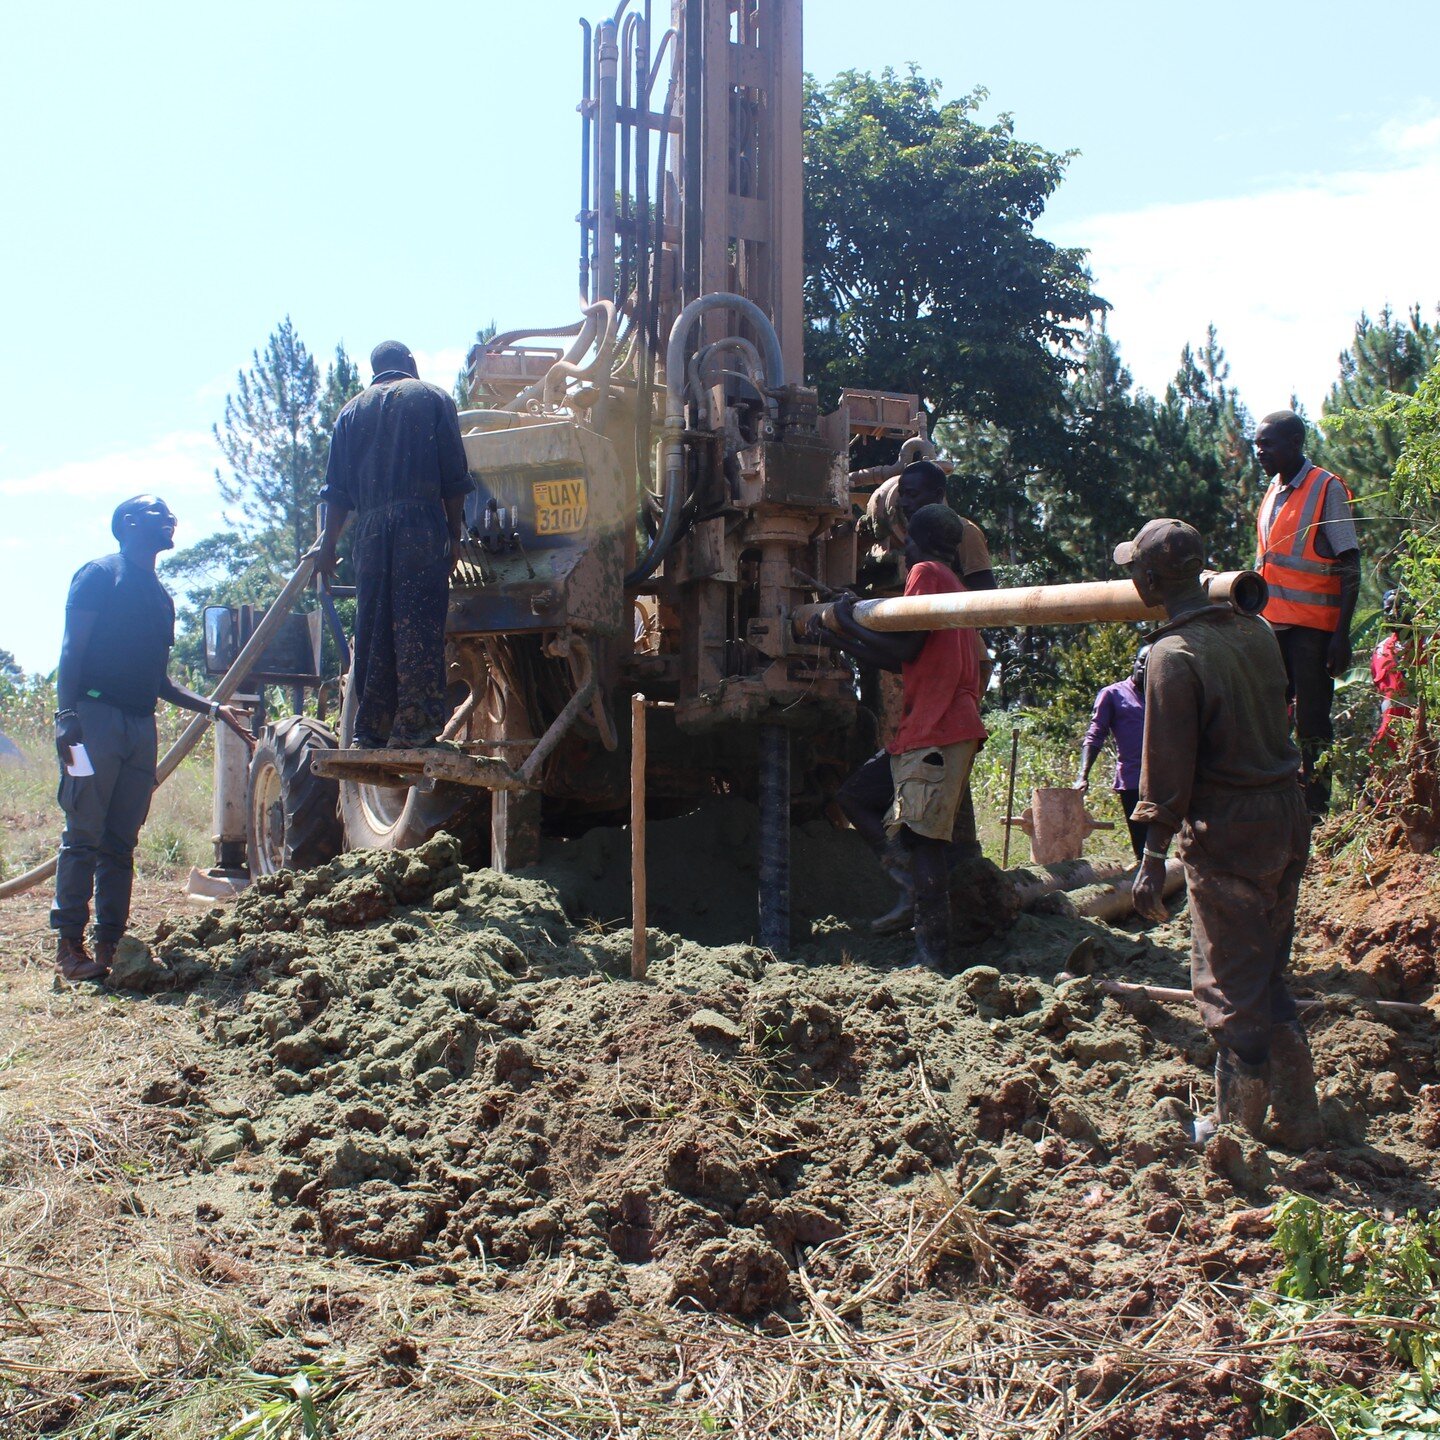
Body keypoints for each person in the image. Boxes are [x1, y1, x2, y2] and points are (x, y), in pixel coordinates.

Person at [1124, 518, 1322, 1150]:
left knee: (1227, 981)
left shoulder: (1172, 655)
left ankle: (1237, 1131)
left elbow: (1170, 767)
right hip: (1285, 817)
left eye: (1136, 568)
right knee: (1266, 971)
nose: (1131, 576)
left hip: (1231, 831)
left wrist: (1153, 855)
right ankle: (1300, 1114)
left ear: (1152, 578)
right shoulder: (1256, 630)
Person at [51, 497, 253, 982]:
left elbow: (159, 681)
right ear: (128, 524)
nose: (170, 519)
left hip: (141, 727)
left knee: (121, 843)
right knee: (83, 837)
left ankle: (110, 948)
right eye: (156, 513)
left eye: (170, 514)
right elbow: (71, 649)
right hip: (93, 719)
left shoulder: (161, 598)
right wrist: (66, 716)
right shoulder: (100, 575)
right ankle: (67, 948)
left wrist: (211, 707)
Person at [821, 505, 988, 966]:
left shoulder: (926, 573)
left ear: (908, 535)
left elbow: (905, 645)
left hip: (938, 728)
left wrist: (847, 616)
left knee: (925, 843)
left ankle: (933, 955)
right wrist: (840, 637)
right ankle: (906, 879)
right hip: (928, 728)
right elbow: (903, 661)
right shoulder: (952, 582)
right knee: (855, 796)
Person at [315, 341, 472, 749]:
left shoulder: (349, 412)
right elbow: (455, 480)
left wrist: (329, 546)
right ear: (411, 364)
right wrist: (454, 535)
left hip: (368, 531)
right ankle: (415, 732)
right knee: (416, 623)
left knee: (374, 627)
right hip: (419, 523)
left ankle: (369, 731)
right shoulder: (433, 397)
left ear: (374, 371)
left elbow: (335, 493)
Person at [860, 458, 994, 868]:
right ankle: (920, 858)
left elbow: (985, 595)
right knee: (910, 763)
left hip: (950, 658)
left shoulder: (956, 537)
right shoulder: (901, 537)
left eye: (915, 495)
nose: (907, 502)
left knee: (938, 766)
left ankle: (948, 863)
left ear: (937, 496)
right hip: (921, 657)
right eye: (903, 496)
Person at [1254, 410, 1360, 819]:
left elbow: (1350, 561)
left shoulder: (1324, 487)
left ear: (1295, 444)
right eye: (1258, 444)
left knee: (1314, 723)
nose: (1260, 451)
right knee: (1269, 718)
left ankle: (1316, 809)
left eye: (1269, 444)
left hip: (1313, 631)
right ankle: (1278, 802)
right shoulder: (1272, 489)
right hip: (1272, 626)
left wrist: (1341, 634)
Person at [1076, 647, 1150, 862]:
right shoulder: (1114, 694)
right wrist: (1083, 774)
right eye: (1141, 662)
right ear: (1133, 662)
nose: (1145, 668)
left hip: (1165, 781)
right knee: (1143, 846)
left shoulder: (1162, 694)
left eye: (1151, 664)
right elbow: (1095, 735)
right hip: (1133, 781)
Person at [1370, 588, 1419, 755]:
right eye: (1388, 609)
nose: (1393, 613)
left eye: (1399, 606)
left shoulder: (1430, 645)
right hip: (1389, 741)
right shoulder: (1380, 650)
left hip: (1425, 738)